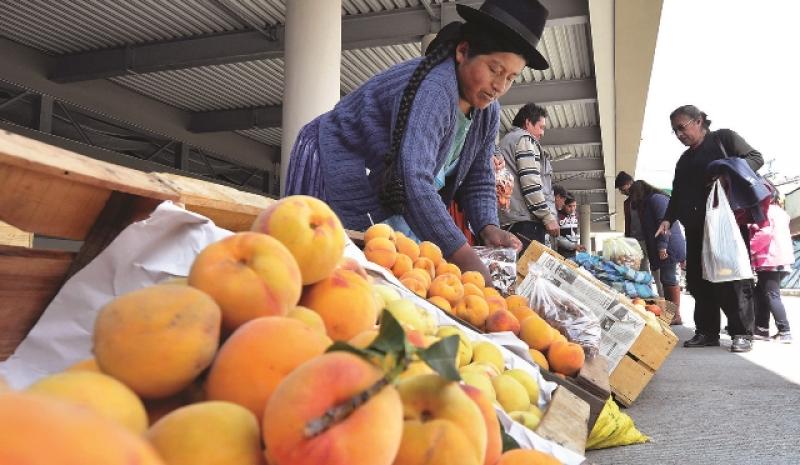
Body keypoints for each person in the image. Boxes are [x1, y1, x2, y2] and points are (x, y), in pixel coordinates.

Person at [285, 0, 552, 283]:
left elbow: (479, 177)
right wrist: (464, 256)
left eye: (511, 77)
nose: (500, 86)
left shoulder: (487, 111)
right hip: (337, 159)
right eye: (495, 69)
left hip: (392, 186)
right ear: (463, 52)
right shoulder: (436, 90)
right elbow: (413, 177)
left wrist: (489, 227)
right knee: (319, 266)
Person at [656, 105, 763, 353]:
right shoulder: (683, 160)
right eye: (675, 131)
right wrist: (667, 219)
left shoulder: (723, 139)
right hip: (695, 228)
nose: (680, 134)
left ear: (699, 121)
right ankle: (707, 331)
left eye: (682, 127)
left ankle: (742, 333)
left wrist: (727, 173)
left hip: (726, 225)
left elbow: (756, 158)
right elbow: (678, 193)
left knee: (732, 277)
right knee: (697, 280)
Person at [498, 103, 558, 255]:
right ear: (527, 123)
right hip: (525, 223)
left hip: (509, 221)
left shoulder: (506, 142)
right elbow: (530, 183)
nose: (542, 133)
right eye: (541, 127)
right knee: (528, 274)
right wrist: (547, 216)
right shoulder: (525, 139)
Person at [628, 180, 687, 325]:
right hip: (666, 245)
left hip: (669, 246)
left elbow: (664, 223)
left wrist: (662, 246)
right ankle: (671, 313)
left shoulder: (657, 200)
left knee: (669, 279)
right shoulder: (651, 201)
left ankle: (675, 315)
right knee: (666, 280)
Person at [749, 192, 793, 343]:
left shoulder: (764, 211)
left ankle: (784, 331)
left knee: (772, 295)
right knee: (760, 294)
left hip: (769, 259)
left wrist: (749, 249)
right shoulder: (781, 212)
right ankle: (762, 329)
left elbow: (764, 233)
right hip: (782, 259)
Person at [615, 171, 659, 294]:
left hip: (649, 239)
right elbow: (628, 223)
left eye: (621, 188)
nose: (621, 191)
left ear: (629, 183)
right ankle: (649, 297)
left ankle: (663, 299)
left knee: (656, 270)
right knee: (641, 272)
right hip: (635, 242)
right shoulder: (627, 203)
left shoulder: (645, 198)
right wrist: (627, 241)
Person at [555, 193, 585, 259]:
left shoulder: (576, 216)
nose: (572, 209)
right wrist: (574, 246)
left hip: (573, 253)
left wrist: (577, 246)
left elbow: (575, 233)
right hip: (560, 253)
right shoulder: (557, 216)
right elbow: (557, 238)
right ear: (563, 205)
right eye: (569, 206)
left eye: (574, 206)